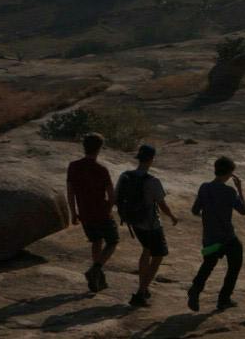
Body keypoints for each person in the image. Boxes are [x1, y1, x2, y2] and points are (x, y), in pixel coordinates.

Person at [117, 143, 178, 308]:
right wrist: (172, 216)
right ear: (151, 160)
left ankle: (143, 287)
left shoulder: (125, 176)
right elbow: (162, 204)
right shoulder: (152, 181)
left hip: (135, 223)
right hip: (151, 224)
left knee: (146, 250)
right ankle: (141, 292)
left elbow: (118, 197)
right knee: (158, 256)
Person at [187, 156, 245, 312]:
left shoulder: (204, 187)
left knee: (208, 264)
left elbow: (195, 210)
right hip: (227, 237)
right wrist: (240, 189)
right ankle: (224, 299)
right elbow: (243, 210)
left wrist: (208, 218)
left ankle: (195, 289)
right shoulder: (229, 191)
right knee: (234, 265)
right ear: (229, 173)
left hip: (210, 237)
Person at [66, 131, 118, 293]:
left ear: (84, 147)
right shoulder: (101, 169)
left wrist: (73, 213)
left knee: (96, 241)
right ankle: (95, 269)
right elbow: (111, 195)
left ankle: (96, 279)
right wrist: (109, 210)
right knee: (112, 241)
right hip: (101, 212)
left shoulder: (73, 166)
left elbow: (70, 192)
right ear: (99, 148)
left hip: (85, 213)